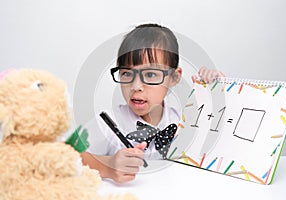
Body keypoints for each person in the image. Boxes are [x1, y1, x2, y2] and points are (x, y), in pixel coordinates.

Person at [81, 23, 224, 183]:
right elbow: (67, 156)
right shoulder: (107, 123)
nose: (136, 87)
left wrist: (215, 91)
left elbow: (215, 144)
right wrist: (108, 166)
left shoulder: (182, 121)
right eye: (127, 73)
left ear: (174, 78)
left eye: (150, 74)